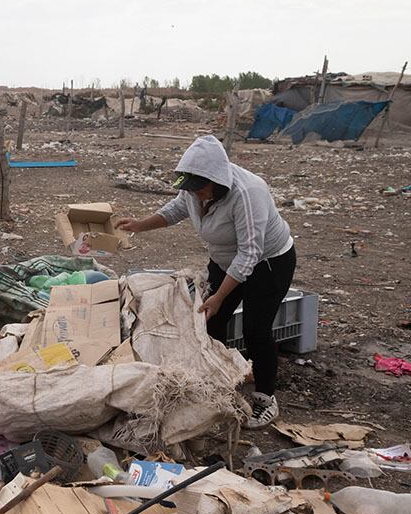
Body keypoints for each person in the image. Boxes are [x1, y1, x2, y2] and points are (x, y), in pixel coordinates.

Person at [114, 135, 295, 428]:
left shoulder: (248, 193)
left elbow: (250, 253)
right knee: (211, 321)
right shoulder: (196, 188)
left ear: (217, 181)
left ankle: (265, 398)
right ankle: (220, 382)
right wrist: (139, 225)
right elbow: (175, 210)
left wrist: (221, 295)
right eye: (192, 189)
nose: (196, 195)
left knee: (255, 329)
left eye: (200, 189)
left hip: (268, 263)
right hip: (224, 260)